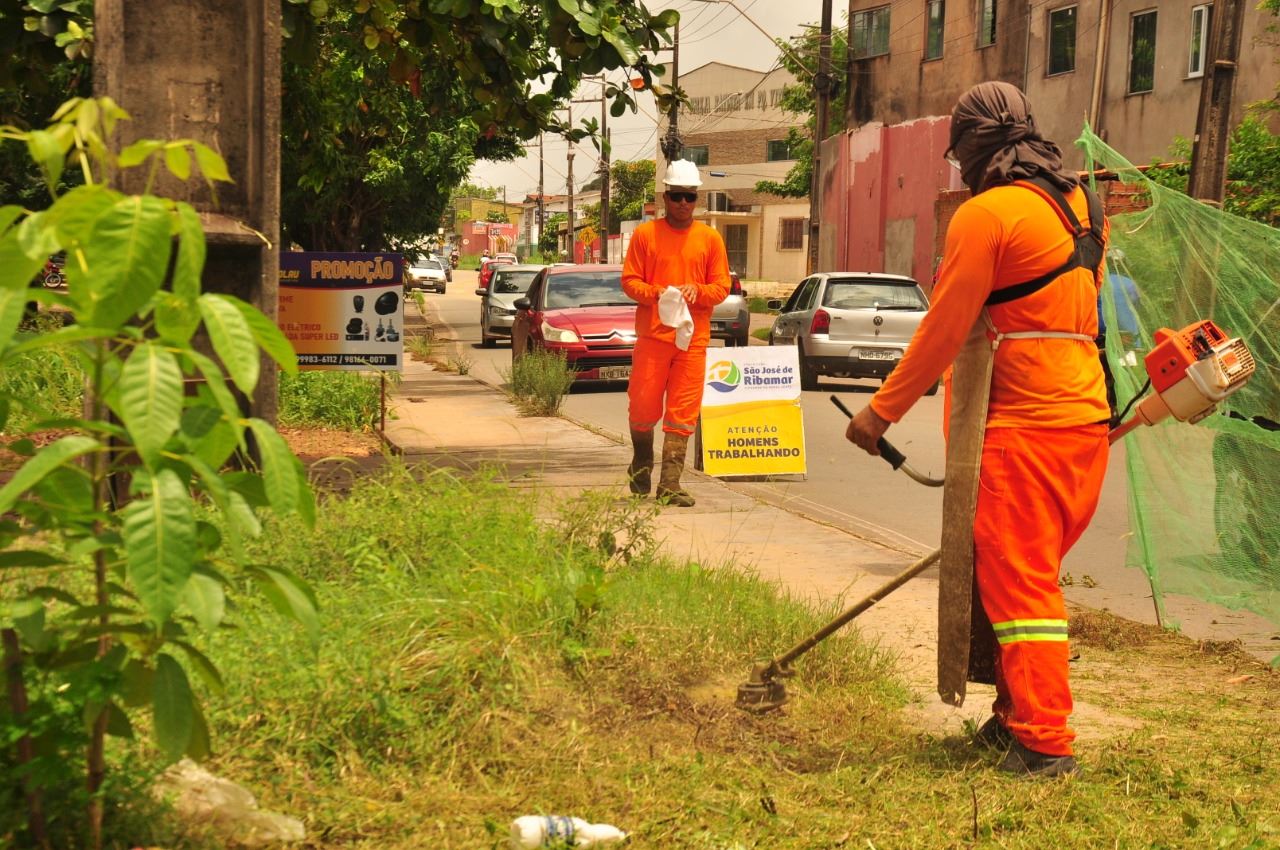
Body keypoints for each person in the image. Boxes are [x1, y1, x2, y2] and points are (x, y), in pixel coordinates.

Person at [845, 82, 1110, 778]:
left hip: (1025, 424)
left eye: (959, 152)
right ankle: (1013, 716)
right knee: (1016, 577)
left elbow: (944, 328)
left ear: (971, 148)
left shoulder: (985, 215)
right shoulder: (1082, 204)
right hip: (1084, 417)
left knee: (1022, 591)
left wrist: (881, 413)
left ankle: (1045, 742)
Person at [621, 159, 731, 506]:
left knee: (683, 413)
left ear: (697, 199)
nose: (684, 203)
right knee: (641, 409)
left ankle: (670, 483)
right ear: (665, 197)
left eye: (690, 197)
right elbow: (629, 282)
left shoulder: (710, 239)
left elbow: (722, 286)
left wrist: (699, 290)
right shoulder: (645, 235)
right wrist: (657, 293)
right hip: (653, 339)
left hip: (692, 342)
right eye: (677, 196)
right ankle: (641, 462)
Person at [1096, 248, 1140, 426]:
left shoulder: (1099, 281)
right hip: (1128, 335)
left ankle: (1104, 406)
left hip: (1102, 334)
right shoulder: (1131, 284)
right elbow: (1137, 306)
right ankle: (1118, 406)